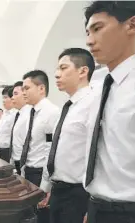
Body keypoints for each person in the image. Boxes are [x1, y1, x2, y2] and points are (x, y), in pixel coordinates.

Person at [83, 2, 135, 223]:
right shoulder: (101, 86)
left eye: (98, 28)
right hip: (98, 206)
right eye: (87, 32)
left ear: (131, 25)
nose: (89, 41)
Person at [38, 48, 95, 223]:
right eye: (57, 69)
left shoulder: (93, 103)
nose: (56, 74)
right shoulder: (68, 107)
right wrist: (47, 186)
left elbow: (98, 155)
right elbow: (55, 147)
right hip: (58, 190)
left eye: (63, 68)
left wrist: (93, 205)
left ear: (83, 71)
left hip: (78, 194)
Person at [21, 70, 60, 223]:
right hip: (29, 172)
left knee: (41, 217)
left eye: (27, 88)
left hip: (40, 174)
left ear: (41, 88)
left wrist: (45, 185)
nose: (24, 92)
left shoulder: (51, 113)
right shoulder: (32, 112)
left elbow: (50, 150)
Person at [10, 81, 32, 175]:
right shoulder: (19, 114)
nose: (12, 97)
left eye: (15, 94)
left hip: (25, 163)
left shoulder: (30, 114)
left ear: (24, 94)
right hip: (17, 161)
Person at [0, 85, 16, 162]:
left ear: (12, 98)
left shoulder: (15, 114)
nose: (3, 100)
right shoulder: (4, 113)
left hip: (10, 151)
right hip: (2, 149)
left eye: (5, 97)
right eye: (3, 98)